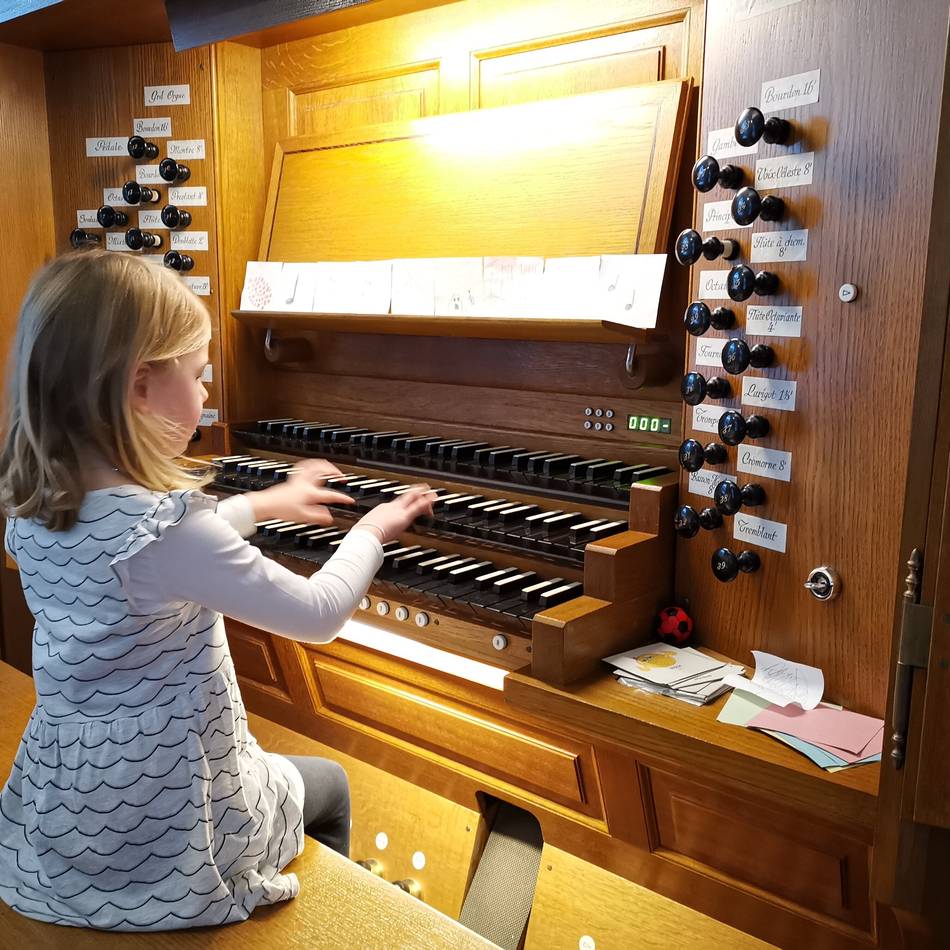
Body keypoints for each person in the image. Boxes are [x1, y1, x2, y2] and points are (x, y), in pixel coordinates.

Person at [0, 250, 434, 931]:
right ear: (140, 386)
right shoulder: (169, 534)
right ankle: (326, 929)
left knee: (273, 766)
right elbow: (319, 614)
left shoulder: (37, 502)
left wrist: (266, 504)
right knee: (331, 784)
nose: (206, 397)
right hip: (172, 818)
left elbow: (157, 562)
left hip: (71, 805)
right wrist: (374, 530)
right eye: (199, 377)